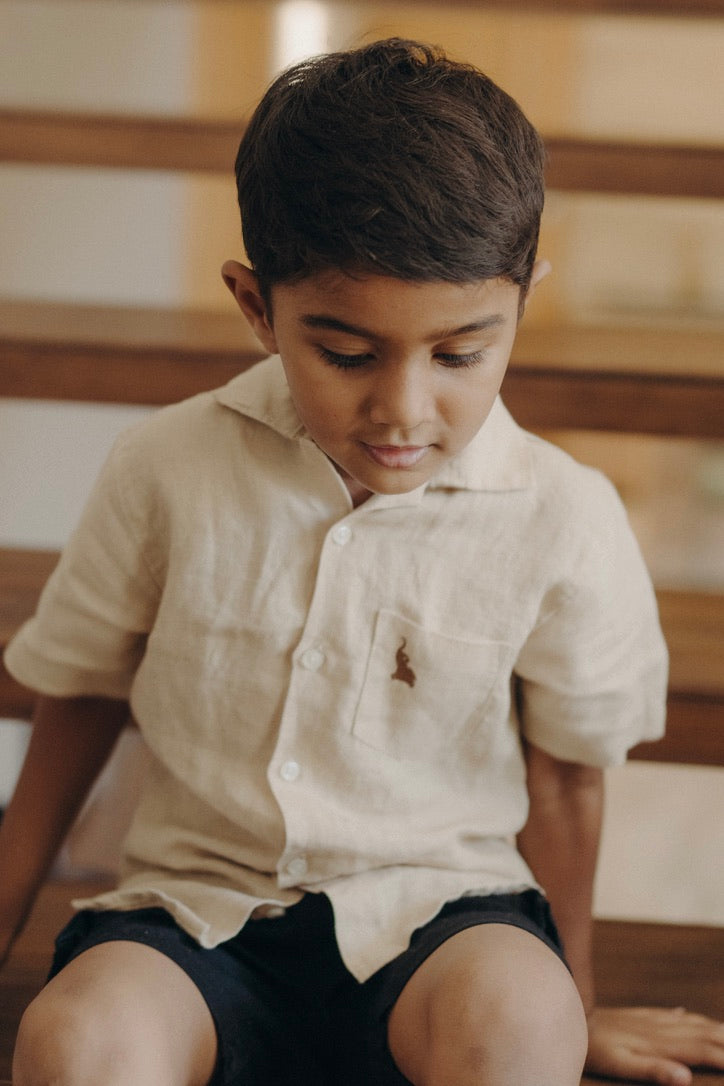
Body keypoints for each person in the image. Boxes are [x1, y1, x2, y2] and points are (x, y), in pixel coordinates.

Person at [1, 37, 722, 1086]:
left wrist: (574, 1005)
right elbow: (77, 695)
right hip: (194, 922)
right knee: (75, 1044)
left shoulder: (563, 517)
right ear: (257, 308)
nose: (402, 409)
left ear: (525, 299)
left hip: (442, 922)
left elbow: (568, 780)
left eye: (460, 353)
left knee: (520, 1024)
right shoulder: (164, 468)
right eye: (346, 354)